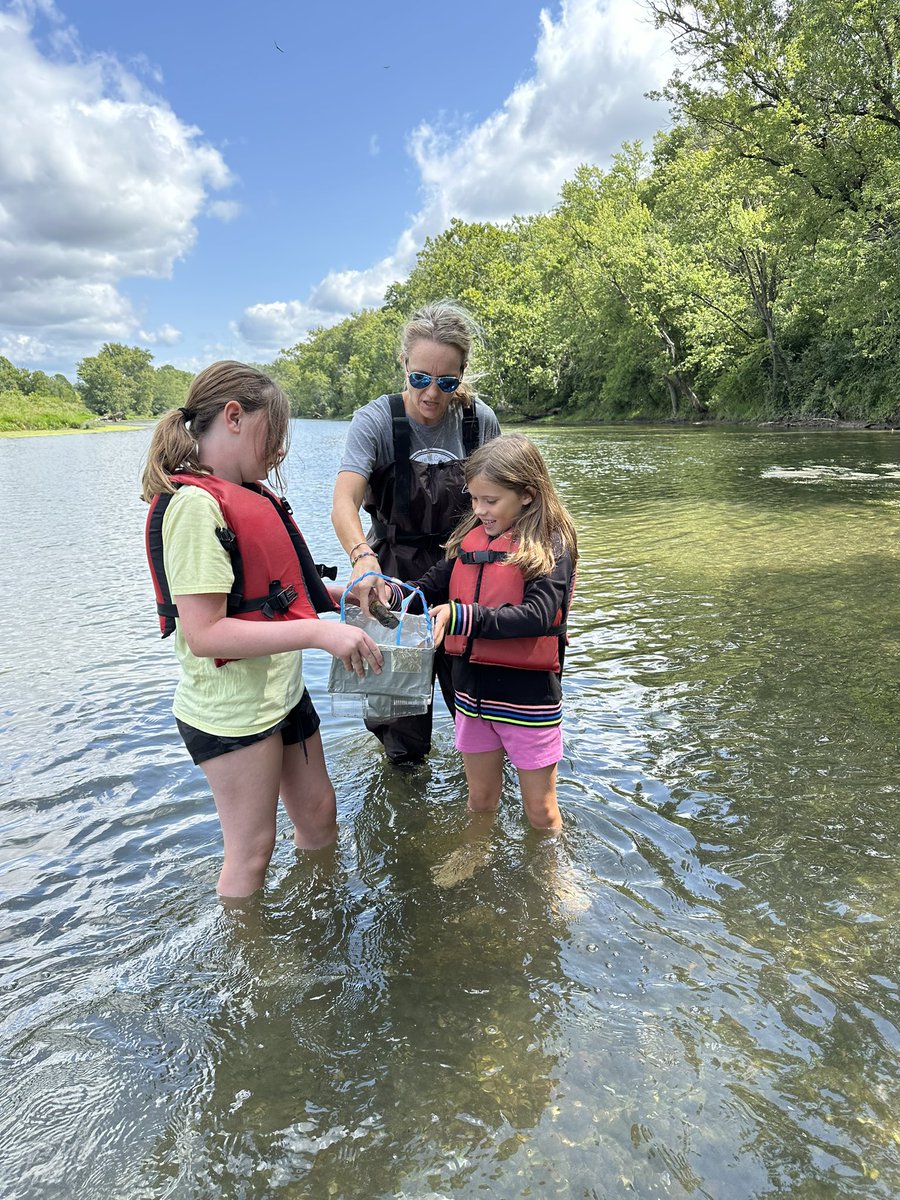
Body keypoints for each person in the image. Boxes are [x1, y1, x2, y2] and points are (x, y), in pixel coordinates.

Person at [141, 361, 383, 898]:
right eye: (273, 434)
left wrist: (346, 597)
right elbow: (205, 634)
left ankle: (323, 917)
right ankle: (255, 970)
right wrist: (320, 634)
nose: (279, 453)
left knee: (319, 815)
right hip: (231, 713)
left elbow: (276, 595)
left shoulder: (247, 494)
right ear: (233, 417)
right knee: (252, 850)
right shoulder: (194, 508)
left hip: (280, 694)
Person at [331, 300, 501, 766]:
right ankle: (405, 809)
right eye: (420, 378)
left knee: (483, 720)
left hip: (466, 578)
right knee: (401, 736)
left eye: (447, 382)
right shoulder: (376, 421)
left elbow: (509, 504)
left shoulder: (479, 422)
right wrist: (362, 558)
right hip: (393, 585)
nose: (432, 393)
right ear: (403, 365)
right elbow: (344, 501)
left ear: (461, 375)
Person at [389, 434, 577, 833]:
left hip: (529, 700)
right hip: (472, 696)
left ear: (527, 494)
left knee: (541, 812)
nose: (479, 510)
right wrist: (389, 593)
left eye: (490, 501)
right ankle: (476, 853)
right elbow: (430, 584)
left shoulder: (551, 544)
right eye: (474, 499)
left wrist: (462, 618)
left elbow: (539, 615)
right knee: (479, 800)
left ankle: (551, 875)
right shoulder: (471, 537)